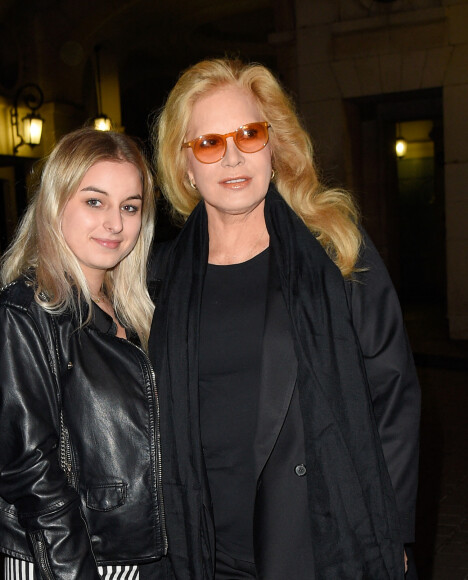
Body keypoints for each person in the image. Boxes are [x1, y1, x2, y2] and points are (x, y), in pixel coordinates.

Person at [145, 58, 421, 580]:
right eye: (208, 143)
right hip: (200, 548)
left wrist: (393, 531)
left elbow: (394, 396)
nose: (232, 157)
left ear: (274, 145)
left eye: (249, 134)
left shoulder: (335, 251)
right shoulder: (159, 279)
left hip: (320, 539)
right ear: (184, 164)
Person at [0, 127, 166, 580]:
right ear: (56, 204)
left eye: (130, 207)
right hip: (62, 560)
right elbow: (30, 472)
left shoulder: (138, 314)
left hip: (131, 556)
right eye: (94, 201)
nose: (115, 223)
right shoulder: (25, 312)